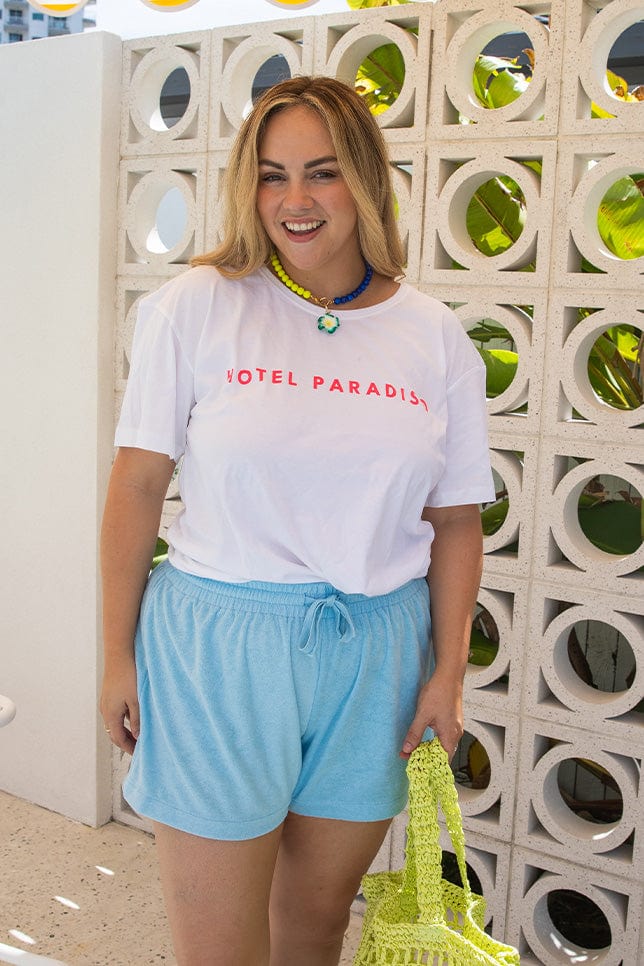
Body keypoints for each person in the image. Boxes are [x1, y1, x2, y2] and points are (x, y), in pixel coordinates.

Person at [100, 75, 494, 966]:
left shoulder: (434, 336)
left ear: (366, 178)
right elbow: (137, 485)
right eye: (272, 176)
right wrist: (117, 655)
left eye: (322, 172)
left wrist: (448, 675)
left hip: (376, 657)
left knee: (315, 929)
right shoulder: (195, 306)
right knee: (220, 948)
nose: (295, 200)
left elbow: (456, 521)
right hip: (218, 649)